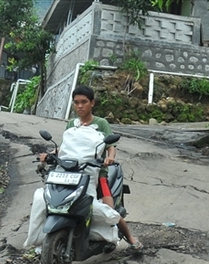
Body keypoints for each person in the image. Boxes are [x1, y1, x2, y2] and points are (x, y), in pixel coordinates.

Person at [37, 85, 141, 249]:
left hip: (97, 172)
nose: (80, 106)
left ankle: (129, 237)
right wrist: (49, 154)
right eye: (76, 102)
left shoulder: (101, 123)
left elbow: (111, 146)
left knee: (109, 211)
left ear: (92, 103)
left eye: (84, 102)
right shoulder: (71, 124)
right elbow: (65, 147)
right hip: (72, 172)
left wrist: (110, 158)